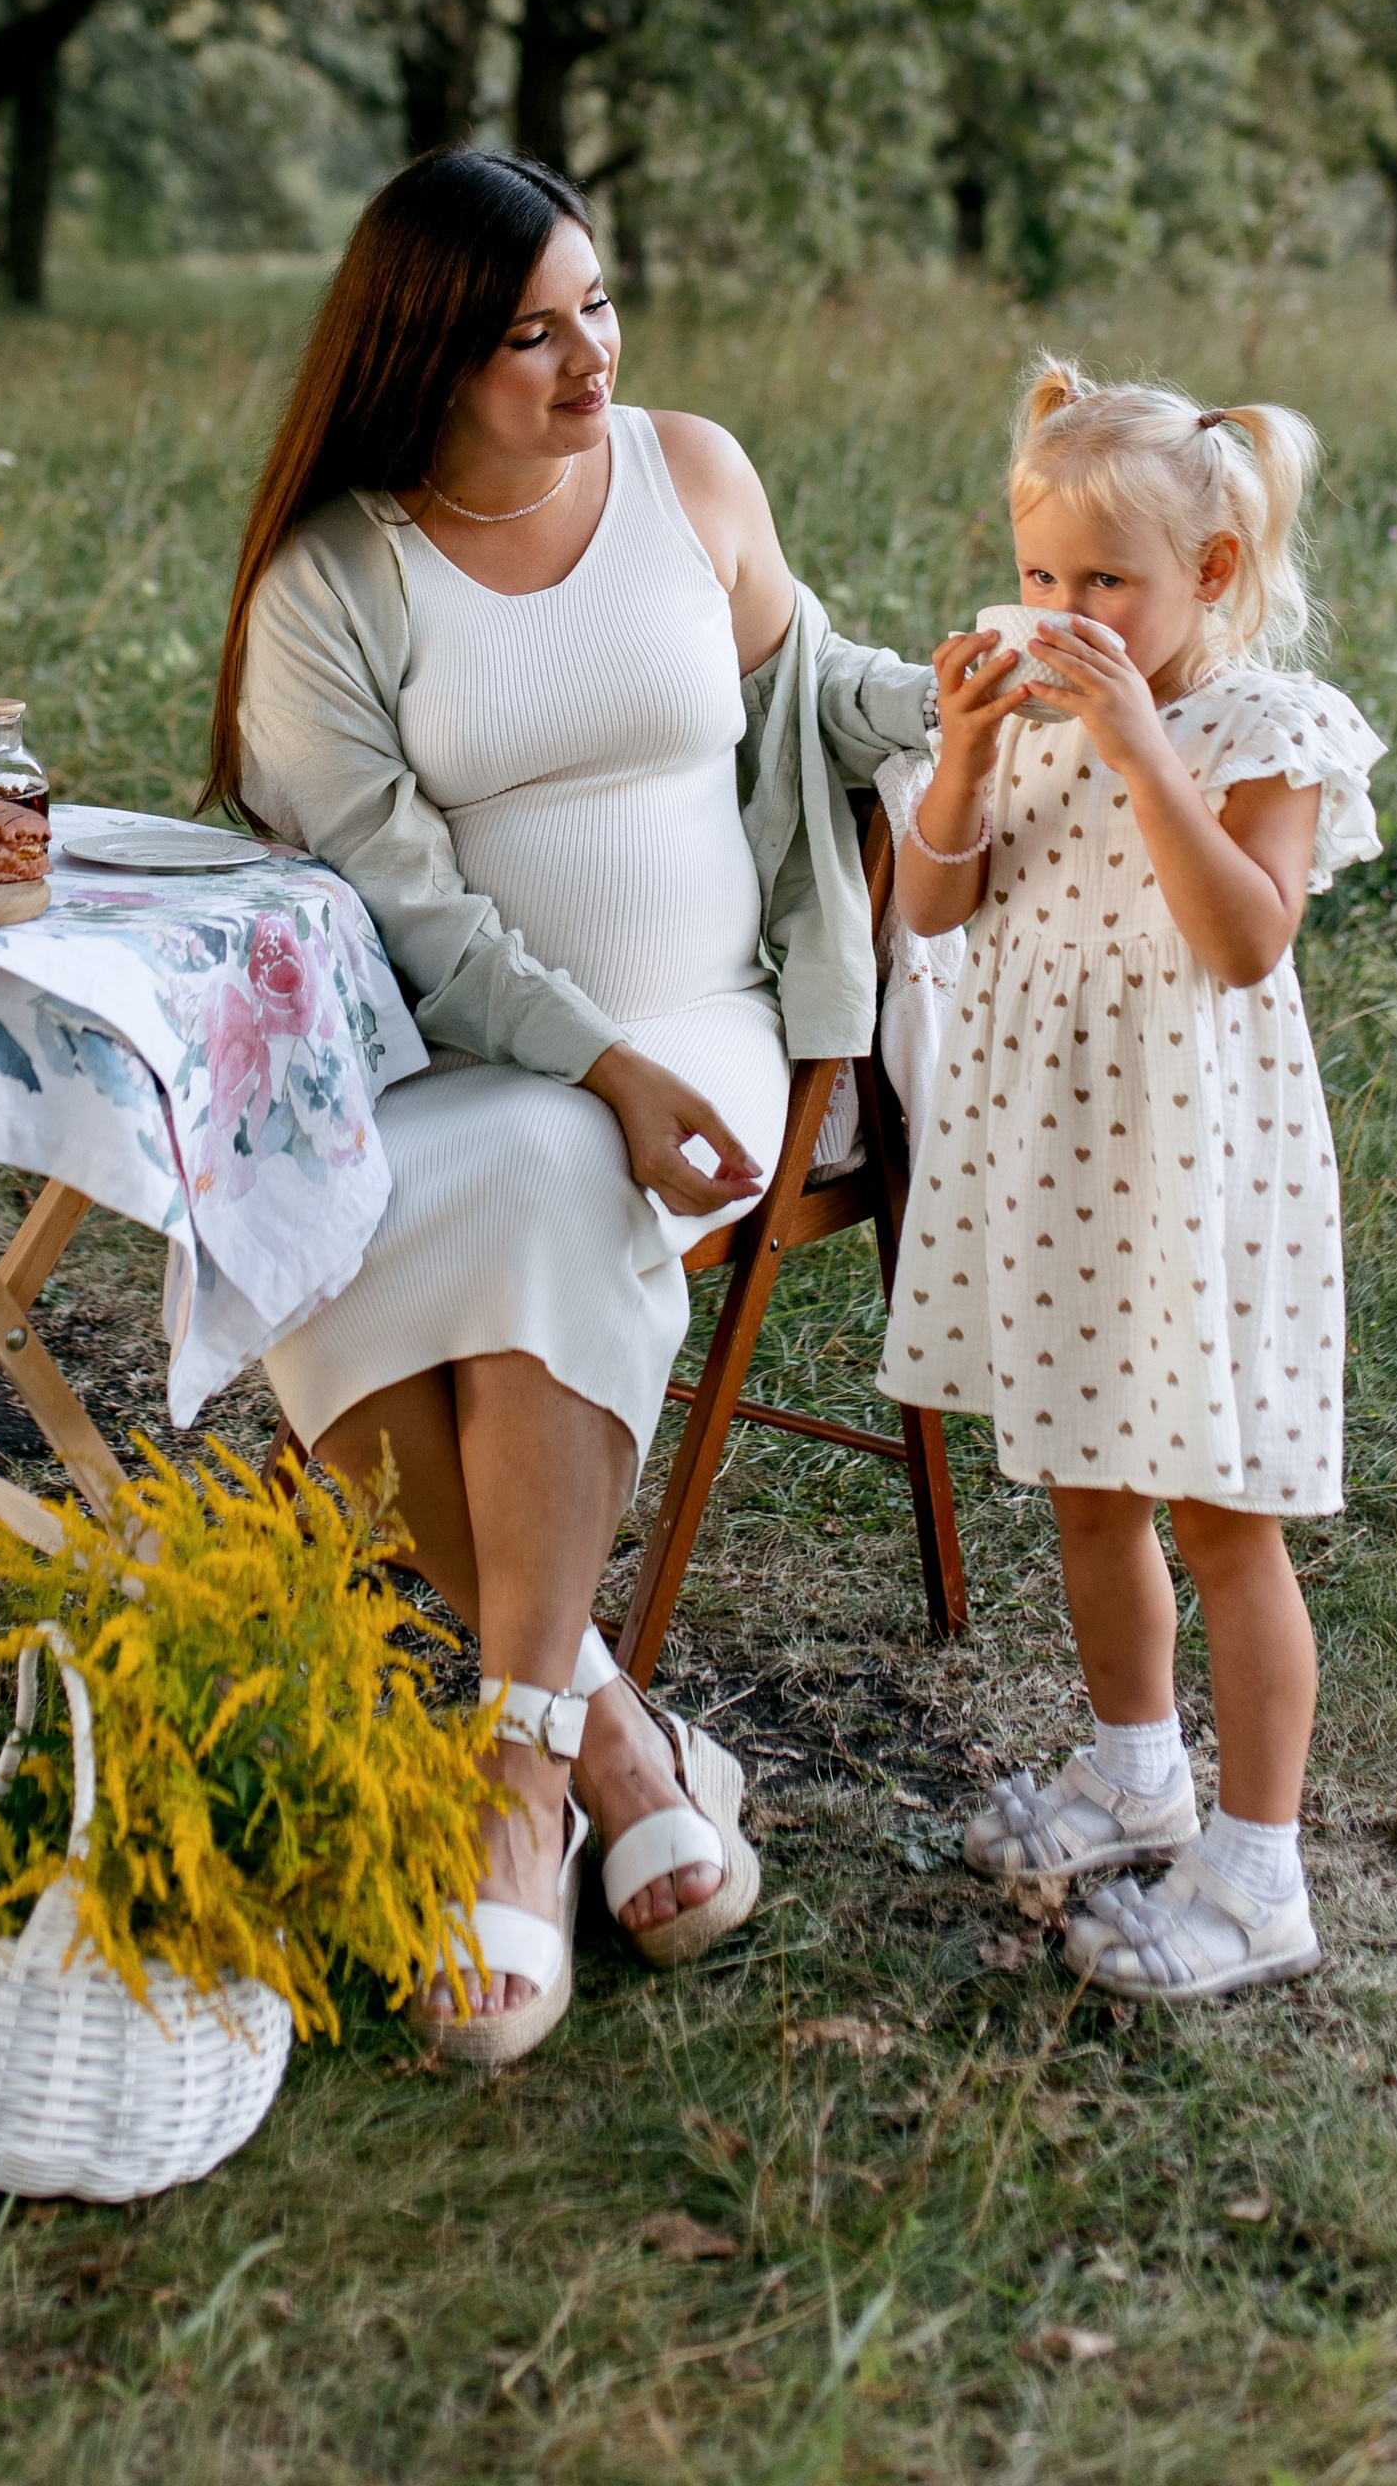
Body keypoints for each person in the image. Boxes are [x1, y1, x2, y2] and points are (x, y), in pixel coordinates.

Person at [208, 148, 929, 2068]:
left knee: (533, 1181)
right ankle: (604, 1740)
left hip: (714, 1027)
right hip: (454, 1047)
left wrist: (951, 695)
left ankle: (509, 1800)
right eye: (532, 336)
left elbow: (803, 686)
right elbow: (401, 901)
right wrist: (584, 1055)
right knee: (462, 1177)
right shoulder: (332, 581)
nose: (590, 359)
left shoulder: (691, 473)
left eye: (599, 306)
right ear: (424, 359)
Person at [884, 359, 1383, 1999]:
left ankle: (1259, 1872)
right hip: (1057, 1151)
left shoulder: (1263, 731)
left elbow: (1245, 936)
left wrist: (1138, 744)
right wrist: (961, 755)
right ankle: (1132, 1765)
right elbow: (936, 912)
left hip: (1196, 1169)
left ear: (1211, 578)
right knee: (1089, 1483)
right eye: (1042, 577)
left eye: (1108, 582)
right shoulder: (1024, 724)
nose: (1065, 608)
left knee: (1228, 1523)